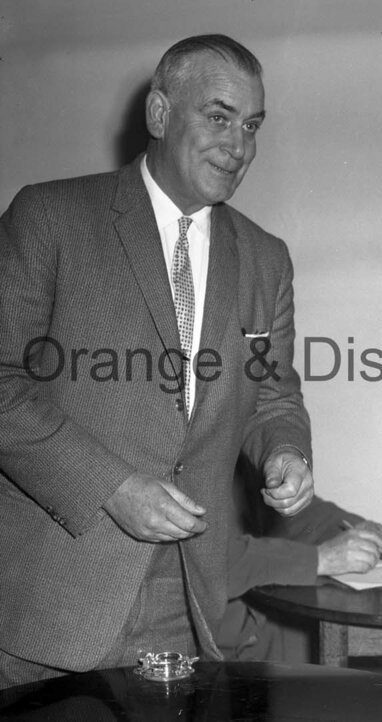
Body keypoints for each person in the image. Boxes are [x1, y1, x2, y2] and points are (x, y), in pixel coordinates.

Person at [0, 34, 314, 688]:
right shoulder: (50, 217)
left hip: (189, 597)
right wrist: (113, 488)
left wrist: (283, 452)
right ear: (159, 114)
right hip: (53, 599)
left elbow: (272, 396)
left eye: (252, 125)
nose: (240, 145)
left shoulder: (265, 257)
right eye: (219, 117)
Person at [220, 467, 382, 663]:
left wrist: (360, 529)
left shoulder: (240, 456)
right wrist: (319, 559)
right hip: (216, 644)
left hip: (260, 622)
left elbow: (294, 513)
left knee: (363, 649)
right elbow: (215, 565)